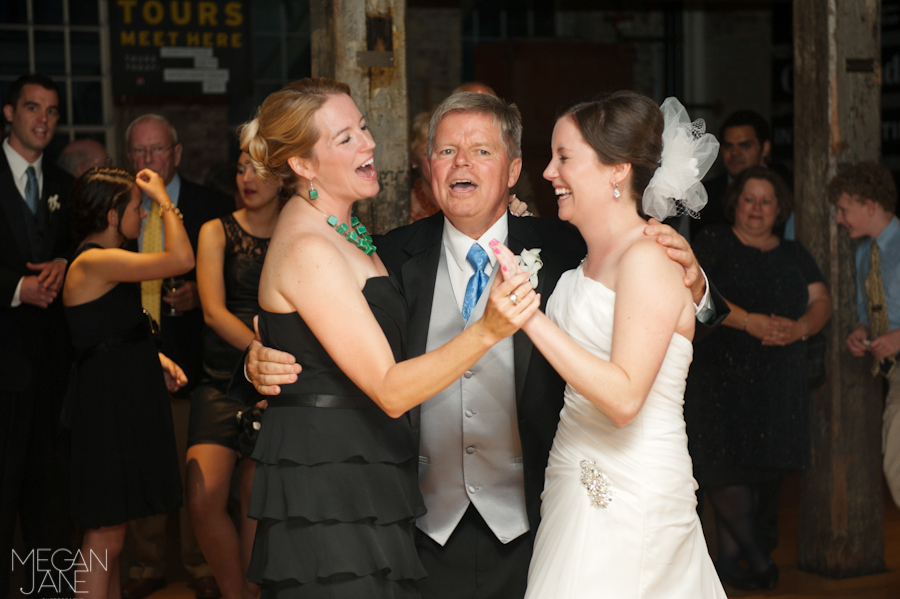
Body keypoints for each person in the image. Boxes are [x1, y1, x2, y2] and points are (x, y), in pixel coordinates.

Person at [241, 91, 729, 599]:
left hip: (537, 521)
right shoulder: (386, 254)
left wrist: (700, 289)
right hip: (417, 527)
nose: (461, 163)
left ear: (514, 168)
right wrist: (258, 359)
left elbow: (654, 325)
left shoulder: (571, 244)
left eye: (482, 151)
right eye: (447, 150)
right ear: (429, 166)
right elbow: (320, 325)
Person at [239, 78, 540, 598]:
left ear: (512, 169)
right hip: (338, 492)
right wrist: (488, 330)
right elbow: (381, 381)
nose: (368, 142)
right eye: (345, 138)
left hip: (471, 507)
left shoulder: (353, 235)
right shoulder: (319, 244)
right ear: (303, 166)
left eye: (363, 128)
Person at [484, 92, 726, 598]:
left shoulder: (652, 256)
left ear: (617, 170)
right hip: (570, 483)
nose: (548, 172)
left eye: (564, 158)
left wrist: (526, 316)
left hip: (633, 492)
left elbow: (623, 399)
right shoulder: (580, 258)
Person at [686, 166, 832, 591]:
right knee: (723, 470)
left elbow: (821, 299)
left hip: (778, 382)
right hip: (718, 378)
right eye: (749, 199)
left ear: (779, 209)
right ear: (735, 203)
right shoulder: (712, 241)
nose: (756, 208)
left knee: (764, 477)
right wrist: (748, 321)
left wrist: (801, 327)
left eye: (766, 201)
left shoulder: (794, 253)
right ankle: (756, 557)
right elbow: (696, 291)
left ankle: (732, 561)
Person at [62, 167, 193, 599]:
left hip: (114, 401)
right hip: (102, 411)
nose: (144, 214)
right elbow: (181, 260)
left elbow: (107, 332)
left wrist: (152, 358)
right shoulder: (96, 259)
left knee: (111, 538)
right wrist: (165, 201)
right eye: (138, 208)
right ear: (114, 216)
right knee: (105, 537)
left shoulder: (104, 259)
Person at [123, 114, 233, 599]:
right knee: (142, 466)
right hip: (133, 359)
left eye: (158, 151)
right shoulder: (119, 209)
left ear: (178, 153)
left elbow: (234, 283)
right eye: (139, 153)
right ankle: (144, 566)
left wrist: (198, 294)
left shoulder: (210, 208)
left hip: (193, 362)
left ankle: (199, 562)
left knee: (196, 474)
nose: (149, 161)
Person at [185, 151, 280, 599]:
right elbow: (212, 311)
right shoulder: (215, 230)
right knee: (202, 499)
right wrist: (257, 352)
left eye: (258, 168)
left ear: (283, 175)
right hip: (222, 377)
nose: (246, 177)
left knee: (254, 505)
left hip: (275, 382)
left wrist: (270, 367)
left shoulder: (296, 230)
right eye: (241, 167)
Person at [0, 74, 75, 598]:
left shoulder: (66, 188)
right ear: (9, 112)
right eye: (32, 107)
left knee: (51, 507)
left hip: (53, 373)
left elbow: (88, 251)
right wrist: (15, 288)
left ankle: (52, 595)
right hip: (2, 370)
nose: (42, 119)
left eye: (50, 111)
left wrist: (67, 264)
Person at [830, 162, 900, 509]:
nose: (839, 219)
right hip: (893, 374)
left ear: (870, 205)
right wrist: (861, 331)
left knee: (896, 465)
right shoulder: (864, 253)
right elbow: (866, 309)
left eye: (844, 209)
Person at [694, 110, 772, 238]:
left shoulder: (786, 189)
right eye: (729, 146)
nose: (735, 153)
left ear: (765, 148)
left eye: (745, 145)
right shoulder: (703, 195)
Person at [408, 111, 439, 222]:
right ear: (414, 160)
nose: (438, 162)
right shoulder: (405, 209)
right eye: (428, 154)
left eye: (446, 152)